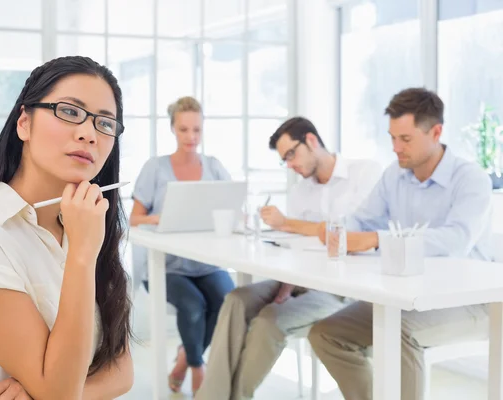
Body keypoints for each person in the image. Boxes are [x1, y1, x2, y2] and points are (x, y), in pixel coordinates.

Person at [0, 56, 134, 399]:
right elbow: (58, 392)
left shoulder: (85, 225)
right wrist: (81, 255)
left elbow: (122, 368)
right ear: (24, 123)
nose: (88, 133)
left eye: (105, 123)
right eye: (69, 111)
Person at [310, 87, 493, 400]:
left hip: (472, 302)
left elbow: (455, 241)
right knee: (326, 333)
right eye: (392, 137)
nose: (396, 148)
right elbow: (362, 220)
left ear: (436, 132)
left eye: (405, 139)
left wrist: (375, 239)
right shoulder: (394, 175)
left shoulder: (471, 178)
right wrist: (340, 232)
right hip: (407, 296)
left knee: (400, 331)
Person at [196, 117, 382, 400]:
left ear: (310, 140)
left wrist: (286, 223)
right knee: (235, 300)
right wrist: (284, 288)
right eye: (285, 160)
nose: (290, 165)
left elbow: (344, 236)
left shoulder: (364, 173)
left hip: (342, 291)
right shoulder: (299, 192)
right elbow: (294, 250)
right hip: (297, 280)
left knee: (269, 319)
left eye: (291, 154)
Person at [130, 96, 235, 395]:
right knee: (193, 307)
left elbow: (232, 207)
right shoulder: (156, 168)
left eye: (197, 130)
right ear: (173, 129)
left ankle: (183, 360)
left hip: (207, 263)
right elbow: (134, 219)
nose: (191, 137)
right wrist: (159, 217)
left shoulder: (214, 167)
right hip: (167, 266)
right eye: (184, 129)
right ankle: (197, 367)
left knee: (229, 303)